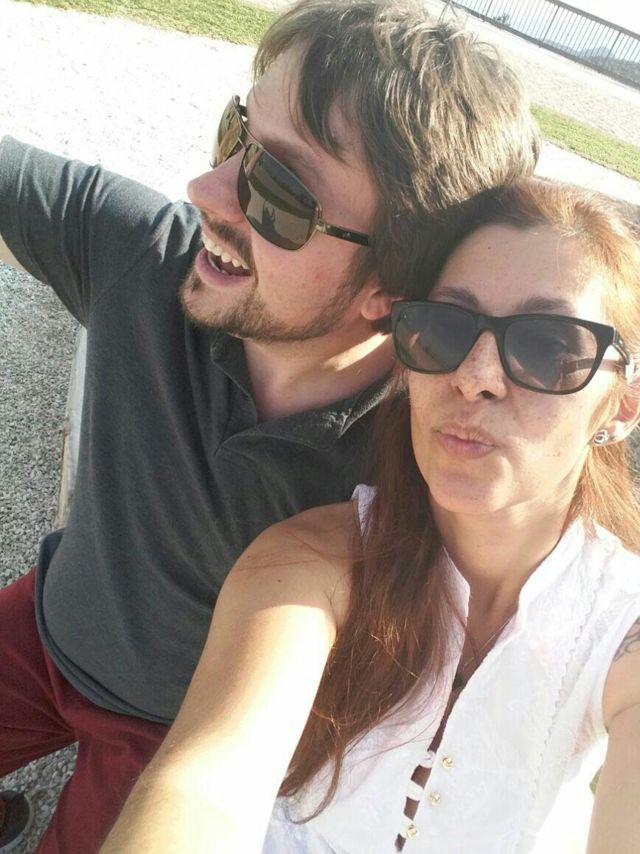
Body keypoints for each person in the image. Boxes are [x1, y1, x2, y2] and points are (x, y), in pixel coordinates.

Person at [0, 0, 539, 849]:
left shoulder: (419, 460)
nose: (206, 189)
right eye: (236, 134)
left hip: (180, 732)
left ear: (392, 291)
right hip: (46, 626)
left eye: (279, 191)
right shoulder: (146, 256)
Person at [103, 178, 640, 854]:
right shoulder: (313, 565)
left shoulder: (621, 626)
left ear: (621, 406)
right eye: (443, 327)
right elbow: (206, 788)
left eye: (551, 348)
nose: (475, 376)